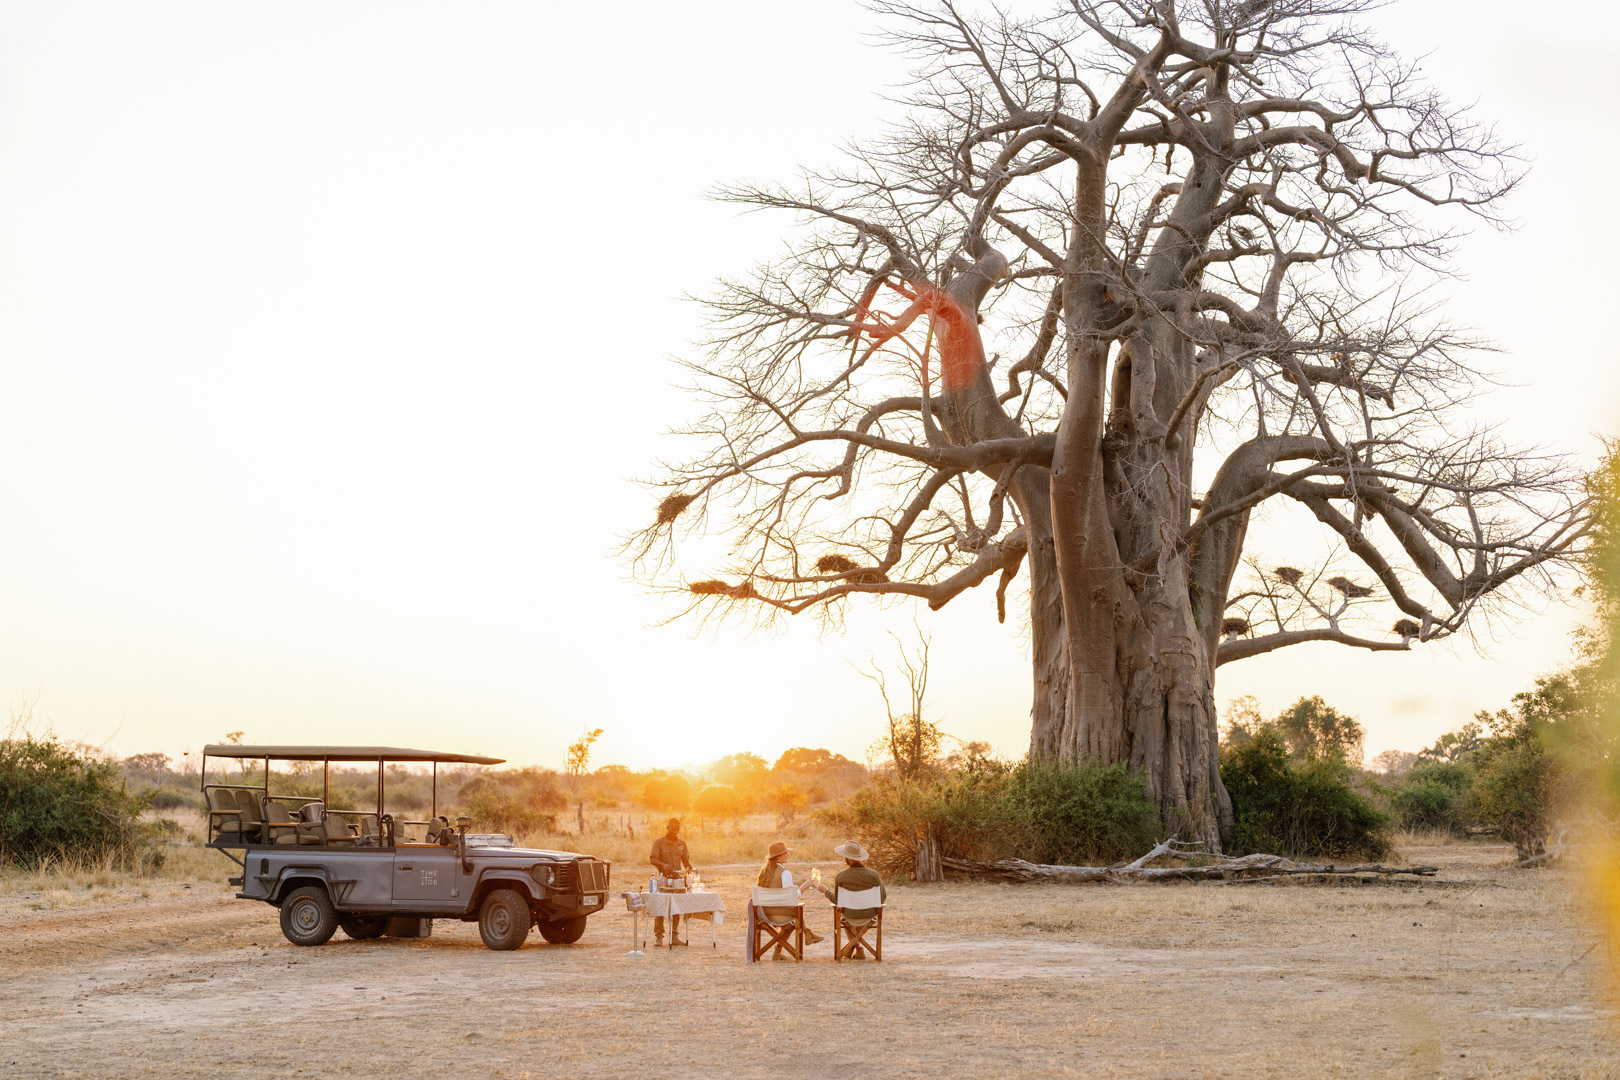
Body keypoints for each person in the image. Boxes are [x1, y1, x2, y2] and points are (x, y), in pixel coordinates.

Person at [811, 840, 886, 950]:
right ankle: (856, 946)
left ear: (849, 858)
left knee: (844, 917)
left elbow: (838, 901)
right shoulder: (874, 875)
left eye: (844, 856)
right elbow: (882, 897)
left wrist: (825, 891)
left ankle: (855, 947)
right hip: (870, 914)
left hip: (850, 915)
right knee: (847, 915)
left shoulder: (841, 876)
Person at [756, 840, 823, 958]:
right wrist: (804, 887)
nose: (788, 855)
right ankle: (806, 933)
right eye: (785, 853)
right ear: (778, 857)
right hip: (779, 914)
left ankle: (805, 935)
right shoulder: (784, 873)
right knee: (794, 914)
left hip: (763, 913)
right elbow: (790, 897)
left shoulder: (763, 872)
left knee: (794, 913)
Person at [649, 817, 693, 946]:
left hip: (677, 880)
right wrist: (663, 865)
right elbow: (652, 859)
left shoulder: (682, 844)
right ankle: (659, 937)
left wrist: (692, 870)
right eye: (673, 829)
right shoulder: (659, 843)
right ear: (667, 828)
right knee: (660, 907)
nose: (675, 832)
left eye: (677, 830)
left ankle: (674, 936)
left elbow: (686, 862)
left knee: (676, 907)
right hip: (663, 879)